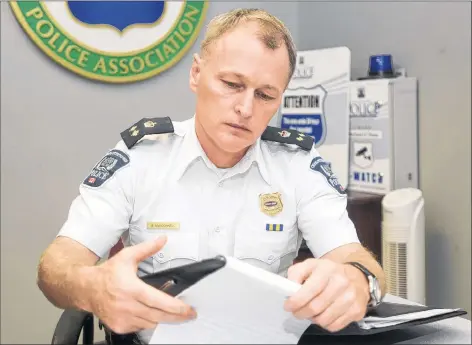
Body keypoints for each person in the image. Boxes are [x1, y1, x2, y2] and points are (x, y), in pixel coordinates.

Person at [37, 8, 386, 344]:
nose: (246, 109)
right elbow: (56, 266)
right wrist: (92, 288)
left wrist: (359, 280)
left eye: (265, 95)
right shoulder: (142, 157)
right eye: (233, 84)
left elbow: (353, 256)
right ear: (196, 74)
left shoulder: (297, 164)